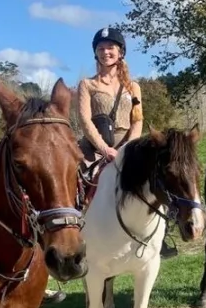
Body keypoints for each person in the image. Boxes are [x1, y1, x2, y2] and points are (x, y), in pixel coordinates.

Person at [75, 27, 178, 258]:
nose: (105, 52)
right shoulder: (87, 85)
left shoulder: (134, 87)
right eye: (100, 48)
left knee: (153, 181)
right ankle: (75, 233)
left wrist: (126, 149)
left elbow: (137, 120)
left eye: (110, 47)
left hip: (128, 146)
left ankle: (161, 235)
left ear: (120, 52)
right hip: (96, 146)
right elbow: (84, 120)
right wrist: (105, 149)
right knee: (75, 180)